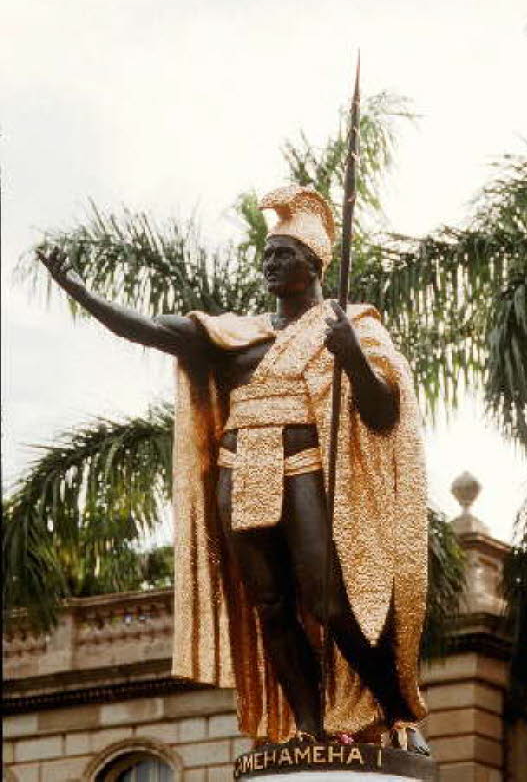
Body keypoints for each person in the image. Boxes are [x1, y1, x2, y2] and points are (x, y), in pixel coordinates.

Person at [38, 185, 429, 753]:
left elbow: (383, 412)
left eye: (283, 254)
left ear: (314, 263)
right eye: (267, 255)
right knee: (270, 605)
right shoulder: (233, 335)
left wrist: (351, 357)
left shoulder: (354, 326)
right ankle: (309, 726)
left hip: (303, 467)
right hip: (238, 470)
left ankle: (396, 713)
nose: (270, 264)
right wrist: (80, 291)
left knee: (328, 602)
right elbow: (148, 329)